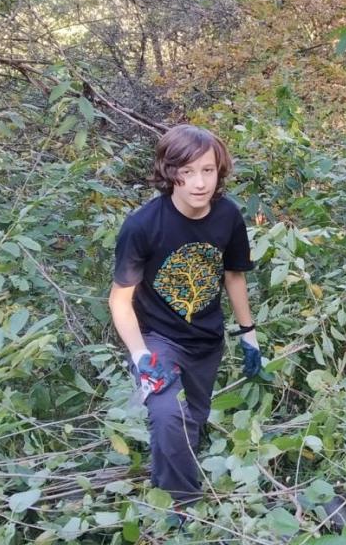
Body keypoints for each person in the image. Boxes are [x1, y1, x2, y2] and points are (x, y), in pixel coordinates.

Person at [109, 124, 264, 504]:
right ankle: (182, 507)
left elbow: (233, 275)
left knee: (192, 418)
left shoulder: (227, 216)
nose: (199, 182)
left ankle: (179, 479)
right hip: (157, 338)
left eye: (208, 171)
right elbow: (119, 299)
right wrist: (140, 355)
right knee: (166, 415)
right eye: (188, 172)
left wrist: (249, 333)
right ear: (169, 172)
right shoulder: (143, 226)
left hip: (206, 340)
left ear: (219, 172)